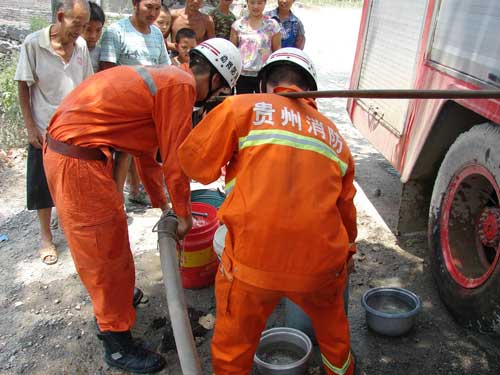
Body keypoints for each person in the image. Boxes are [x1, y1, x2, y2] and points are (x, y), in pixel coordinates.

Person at [43, 38, 241, 374]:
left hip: (80, 156)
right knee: (102, 253)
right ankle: (116, 342)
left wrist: (161, 202)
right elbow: (176, 162)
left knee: (112, 240)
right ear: (218, 80)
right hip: (76, 163)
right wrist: (183, 216)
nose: (216, 100)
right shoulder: (181, 87)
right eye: (221, 94)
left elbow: (149, 154)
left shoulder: (167, 79)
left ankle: (118, 300)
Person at [178, 48, 357, 375]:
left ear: (262, 84)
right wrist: (348, 254)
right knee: (335, 340)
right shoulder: (336, 139)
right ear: (311, 90)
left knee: (233, 350)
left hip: (251, 266)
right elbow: (347, 217)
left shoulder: (240, 108)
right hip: (320, 268)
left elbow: (195, 167)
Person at [14, 0, 93, 265]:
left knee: (72, 184)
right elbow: (23, 86)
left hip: (74, 131)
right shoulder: (33, 44)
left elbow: (87, 86)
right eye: (76, 24)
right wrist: (30, 127)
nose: (80, 32)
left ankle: (70, 226)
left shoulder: (80, 45)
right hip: (44, 129)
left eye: (84, 26)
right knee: (42, 186)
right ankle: (46, 238)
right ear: (61, 16)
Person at [99, 0, 171, 208]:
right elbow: (107, 71)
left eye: (157, 8)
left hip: (149, 104)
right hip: (123, 103)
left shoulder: (156, 34)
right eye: (149, 7)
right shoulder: (117, 32)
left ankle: (137, 191)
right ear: (135, 4)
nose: (154, 13)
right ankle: (116, 203)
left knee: (146, 153)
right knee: (122, 154)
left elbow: (164, 69)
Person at [230, 0, 281, 93]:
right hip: (242, 75)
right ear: (247, 3)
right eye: (252, 3)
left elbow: (277, 51)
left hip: (264, 74)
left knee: (262, 104)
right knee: (244, 104)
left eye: (259, 3)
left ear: (265, 3)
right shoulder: (238, 25)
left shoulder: (273, 25)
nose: (256, 6)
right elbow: (232, 51)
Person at [82, 0, 105, 72]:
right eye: (88, 30)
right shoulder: (72, 51)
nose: (93, 36)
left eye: (98, 30)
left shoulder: (101, 54)